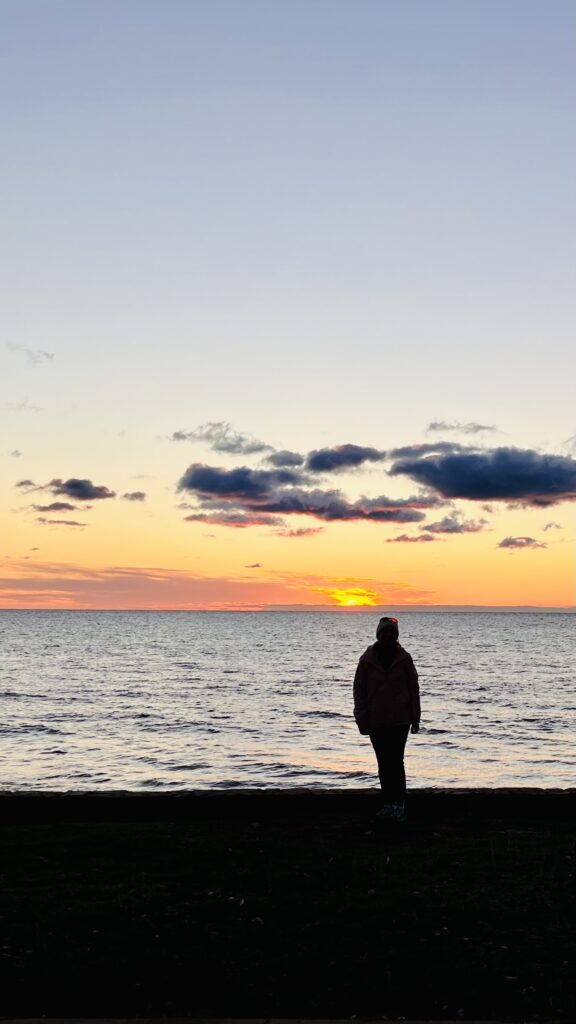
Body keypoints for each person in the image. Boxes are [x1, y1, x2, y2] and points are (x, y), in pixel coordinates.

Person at [353, 615, 420, 821]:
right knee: (384, 763)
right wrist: (361, 718)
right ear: (379, 634)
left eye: (392, 632)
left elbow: (413, 689)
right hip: (377, 720)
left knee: (396, 762)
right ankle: (388, 802)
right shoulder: (367, 660)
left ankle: (399, 804)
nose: (388, 636)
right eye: (385, 632)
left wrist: (415, 718)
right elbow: (359, 691)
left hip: (400, 720)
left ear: (396, 635)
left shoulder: (404, 659)